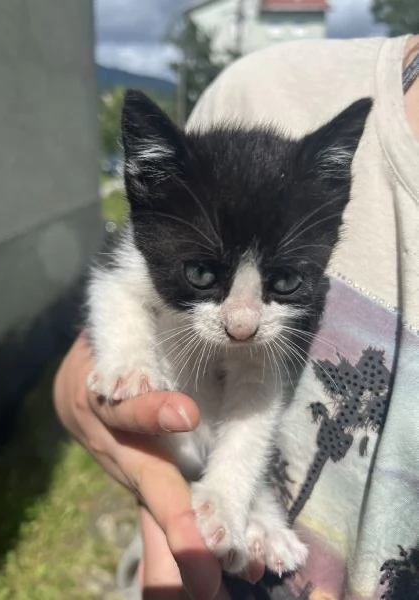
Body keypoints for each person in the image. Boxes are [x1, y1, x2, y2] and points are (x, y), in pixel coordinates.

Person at [54, 33, 419, 600]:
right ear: (146, 185)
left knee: (253, 386)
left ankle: (257, 509)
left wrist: (228, 494)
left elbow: (258, 391)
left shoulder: (305, 200)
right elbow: (115, 290)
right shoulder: (250, 92)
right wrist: (125, 361)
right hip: (171, 543)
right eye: (204, 277)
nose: (243, 324)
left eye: (284, 282)